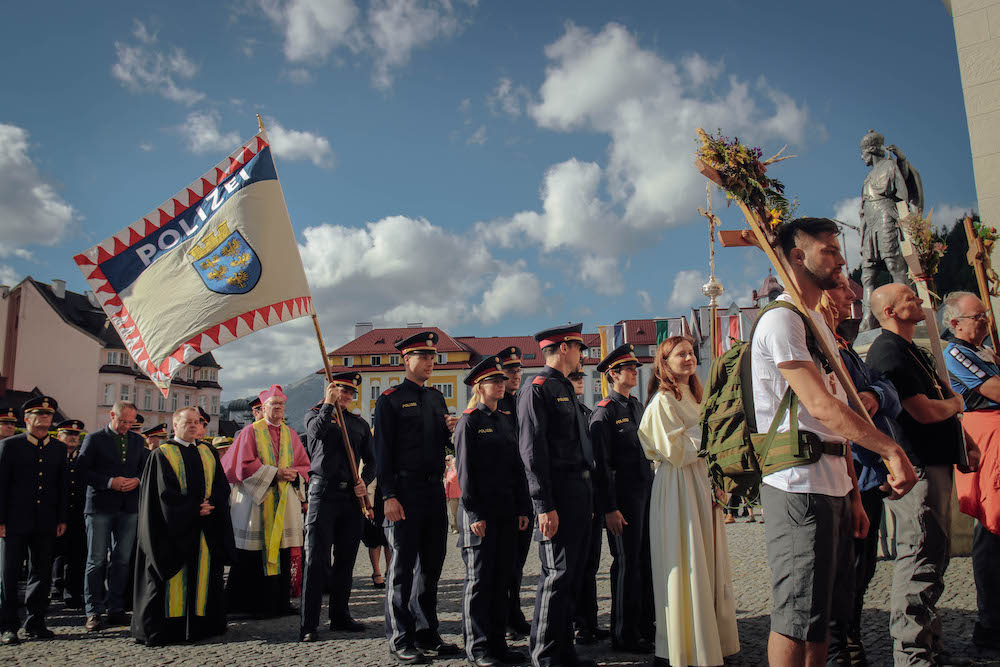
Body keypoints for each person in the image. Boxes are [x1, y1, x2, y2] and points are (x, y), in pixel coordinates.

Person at [750, 218, 916, 667]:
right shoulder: (782, 319)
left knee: (822, 617)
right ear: (798, 257)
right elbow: (821, 407)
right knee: (794, 617)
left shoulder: (817, 324)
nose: (842, 259)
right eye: (830, 250)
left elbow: (839, 417)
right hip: (797, 484)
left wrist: (852, 494)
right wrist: (890, 449)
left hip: (834, 484)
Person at [866, 283, 977, 667]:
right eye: (909, 299)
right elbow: (925, 411)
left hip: (934, 463)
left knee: (934, 556)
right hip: (917, 468)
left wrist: (961, 436)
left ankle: (929, 645)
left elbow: (936, 403)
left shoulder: (913, 350)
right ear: (890, 312)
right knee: (918, 560)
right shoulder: (888, 351)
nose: (918, 301)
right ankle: (912, 655)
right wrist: (957, 403)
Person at [638, 336, 739, 666]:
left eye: (692, 353)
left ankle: (712, 641)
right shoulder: (661, 401)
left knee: (709, 560)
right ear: (664, 363)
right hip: (678, 484)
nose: (690, 358)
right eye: (681, 354)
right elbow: (677, 450)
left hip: (701, 482)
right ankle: (685, 646)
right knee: (688, 559)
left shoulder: (697, 397)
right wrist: (715, 432)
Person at [821, 274, 906, 665]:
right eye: (840, 289)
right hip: (845, 469)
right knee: (846, 567)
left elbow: (886, 387)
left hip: (867, 473)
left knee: (865, 565)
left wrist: (874, 394)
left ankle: (850, 634)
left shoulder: (846, 346)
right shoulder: (822, 346)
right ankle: (841, 645)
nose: (851, 295)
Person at [375, 331, 461, 664]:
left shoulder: (436, 399)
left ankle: (427, 633)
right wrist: (389, 495)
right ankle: (400, 637)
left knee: (431, 568)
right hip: (404, 492)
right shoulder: (390, 399)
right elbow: (382, 453)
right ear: (405, 360)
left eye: (433, 358)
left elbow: (446, 447)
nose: (430, 363)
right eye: (423, 357)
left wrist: (451, 432)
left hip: (432, 491)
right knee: (402, 568)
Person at [519, 323, 597, 667]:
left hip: (579, 490)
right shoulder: (537, 388)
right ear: (564, 348)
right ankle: (545, 655)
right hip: (558, 493)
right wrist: (544, 504)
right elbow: (532, 451)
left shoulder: (564, 387)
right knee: (557, 574)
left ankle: (564, 650)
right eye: (579, 347)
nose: (583, 355)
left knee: (573, 575)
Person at [132, 406, 234, 645]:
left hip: (205, 529)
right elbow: (161, 496)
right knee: (174, 579)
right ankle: (170, 628)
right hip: (173, 532)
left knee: (205, 574)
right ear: (174, 425)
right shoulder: (162, 454)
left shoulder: (207, 451)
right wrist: (192, 509)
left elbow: (221, 486)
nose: (194, 426)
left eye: (197, 422)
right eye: (187, 422)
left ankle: (204, 624)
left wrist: (213, 506)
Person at [455, 356, 530, 667]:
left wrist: (523, 507)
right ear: (479, 386)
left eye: (503, 380)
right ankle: (479, 647)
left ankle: (499, 645)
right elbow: (465, 472)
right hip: (481, 515)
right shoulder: (469, 421)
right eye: (494, 381)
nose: (501, 384)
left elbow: (516, 469)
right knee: (480, 582)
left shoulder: (504, 419)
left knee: (503, 580)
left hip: (507, 512)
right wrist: (474, 514)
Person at [939, 291, 1000, 651]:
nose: (984, 322)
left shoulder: (985, 350)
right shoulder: (956, 352)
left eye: (984, 316)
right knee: (992, 529)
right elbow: (993, 389)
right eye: (977, 317)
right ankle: (990, 623)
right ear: (955, 323)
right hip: (987, 439)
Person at [299, 372, 376, 642]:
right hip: (323, 493)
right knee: (317, 560)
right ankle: (308, 623)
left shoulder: (359, 423)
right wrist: (328, 405)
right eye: (342, 391)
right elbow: (315, 434)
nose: (347, 396)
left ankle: (340, 616)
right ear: (331, 389)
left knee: (346, 560)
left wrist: (364, 482)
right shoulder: (315, 415)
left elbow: (372, 459)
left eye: (350, 393)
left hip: (350, 498)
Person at [222, 384, 310, 618]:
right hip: (256, 501)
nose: (279, 408)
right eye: (274, 404)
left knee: (281, 550)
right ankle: (248, 604)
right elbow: (242, 465)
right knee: (253, 552)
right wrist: (274, 473)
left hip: (283, 500)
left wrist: (295, 474)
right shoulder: (250, 432)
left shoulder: (291, 434)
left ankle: (278, 602)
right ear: (263, 407)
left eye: (281, 404)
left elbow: (303, 464)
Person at [591, 344, 654, 654]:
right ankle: (624, 634)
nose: (634, 372)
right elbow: (601, 467)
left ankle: (644, 625)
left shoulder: (637, 407)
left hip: (645, 493)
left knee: (645, 562)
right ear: (612, 374)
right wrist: (610, 508)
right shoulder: (604, 413)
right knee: (626, 565)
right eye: (628, 368)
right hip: (623, 500)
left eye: (635, 368)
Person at [0, 397, 67, 645]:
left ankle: (35, 621)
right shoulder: (10, 446)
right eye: (39, 415)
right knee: (8, 574)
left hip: (46, 521)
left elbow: (61, 487)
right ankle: (8, 625)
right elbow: (2, 486)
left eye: (48, 415)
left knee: (41, 573)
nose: (45, 419)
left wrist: (61, 518)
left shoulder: (58, 449)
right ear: (27, 419)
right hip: (14, 521)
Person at [77, 400, 148, 632]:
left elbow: (144, 469)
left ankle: (116, 608)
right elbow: (82, 470)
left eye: (131, 422)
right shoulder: (94, 439)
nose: (127, 426)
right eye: (123, 421)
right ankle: (93, 611)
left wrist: (136, 480)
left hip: (128, 508)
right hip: (100, 506)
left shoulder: (138, 441)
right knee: (96, 560)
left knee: (122, 559)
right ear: (112, 415)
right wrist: (110, 482)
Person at [569, 364, 608, 646]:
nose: (579, 381)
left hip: (590, 496)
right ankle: (576, 624)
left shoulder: (586, 413)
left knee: (591, 565)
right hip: (573, 498)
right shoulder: (566, 415)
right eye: (574, 377)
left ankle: (589, 621)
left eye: (580, 377)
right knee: (574, 566)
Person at [496, 345, 534, 641]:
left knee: (517, 564)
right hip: (502, 496)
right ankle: (502, 621)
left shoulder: (521, 401)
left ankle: (515, 615)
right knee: (502, 566)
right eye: (510, 371)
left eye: (519, 370)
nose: (516, 375)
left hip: (523, 494)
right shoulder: (496, 406)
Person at [51, 419, 88, 609]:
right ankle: (53, 587)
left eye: (76, 435)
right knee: (51, 554)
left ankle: (72, 594)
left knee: (77, 555)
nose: (73, 438)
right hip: (54, 514)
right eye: (68, 434)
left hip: (77, 514)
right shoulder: (51, 456)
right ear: (59, 436)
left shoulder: (82, 458)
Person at [444, 455, 460, 535]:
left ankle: (463, 527)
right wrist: (447, 495)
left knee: (462, 513)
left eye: (456, 463)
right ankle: (454, 527)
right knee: (453, 513)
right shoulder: (449, 472)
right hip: (452, 496)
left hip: (461, 495)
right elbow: (447, 485)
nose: (455, 464)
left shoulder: (461, 472)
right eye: (454, 463)